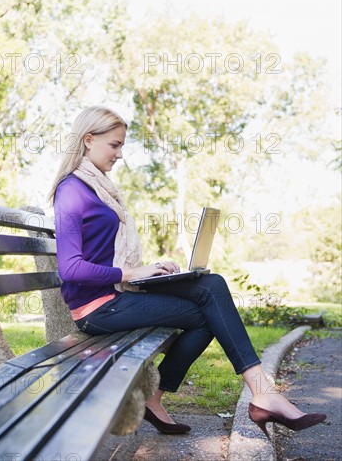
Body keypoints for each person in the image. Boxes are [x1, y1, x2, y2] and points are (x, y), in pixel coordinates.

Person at [48, 105, 326, 436]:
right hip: (97, 308)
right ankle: (260, 395)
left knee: (211, 287)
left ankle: (251, 393)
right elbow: (70, 268)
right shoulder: (72, 191)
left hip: (115, 294)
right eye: (115, 145)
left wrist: (150, 270)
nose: (121, 154)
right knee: (207, 309)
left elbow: (106, 254)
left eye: (122, 145)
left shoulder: (99, 188)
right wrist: (131, 273)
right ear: (88, 140)